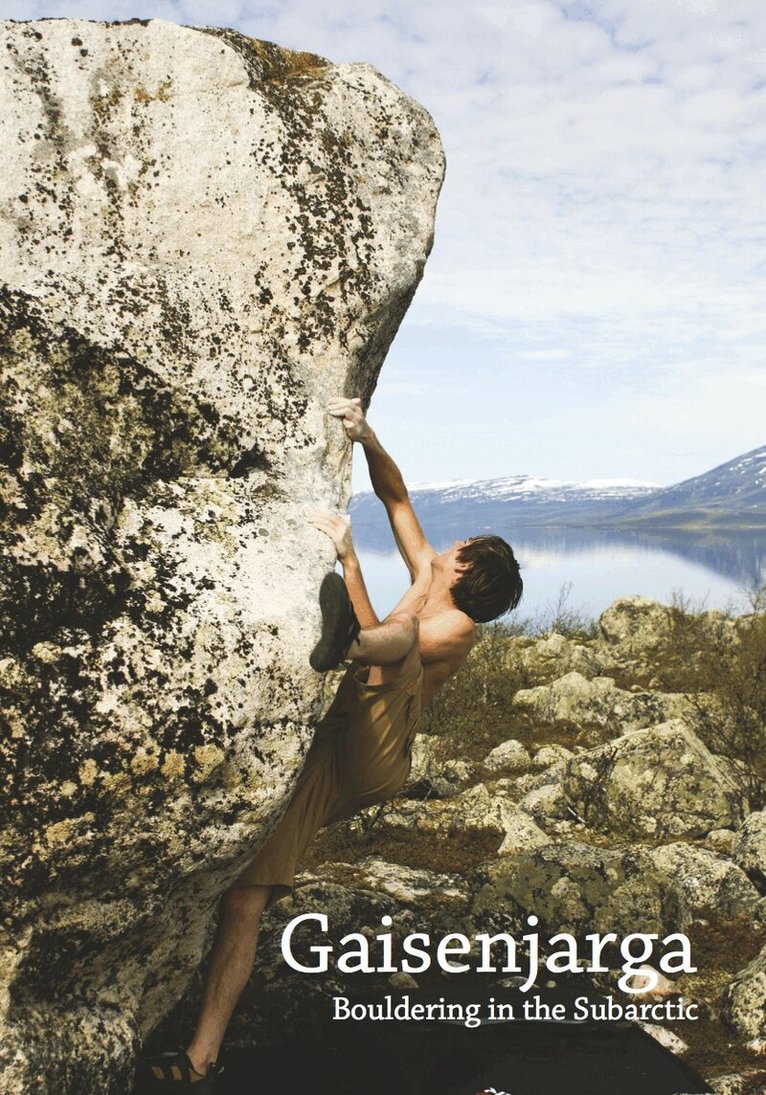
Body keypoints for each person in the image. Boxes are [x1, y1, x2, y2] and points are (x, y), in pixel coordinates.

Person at [141, 397, 522, 1092]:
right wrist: (367, 434)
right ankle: (201, 1057)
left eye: (459, 547)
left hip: (376, 752)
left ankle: (340, 637)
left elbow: (388, 651)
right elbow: (396, 495)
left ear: (466, 569)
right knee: (244, 897)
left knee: (395, 645)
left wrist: (348, 561)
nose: (447, 544)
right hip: (332, 746)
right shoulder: (426, 575)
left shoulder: (456, 627)